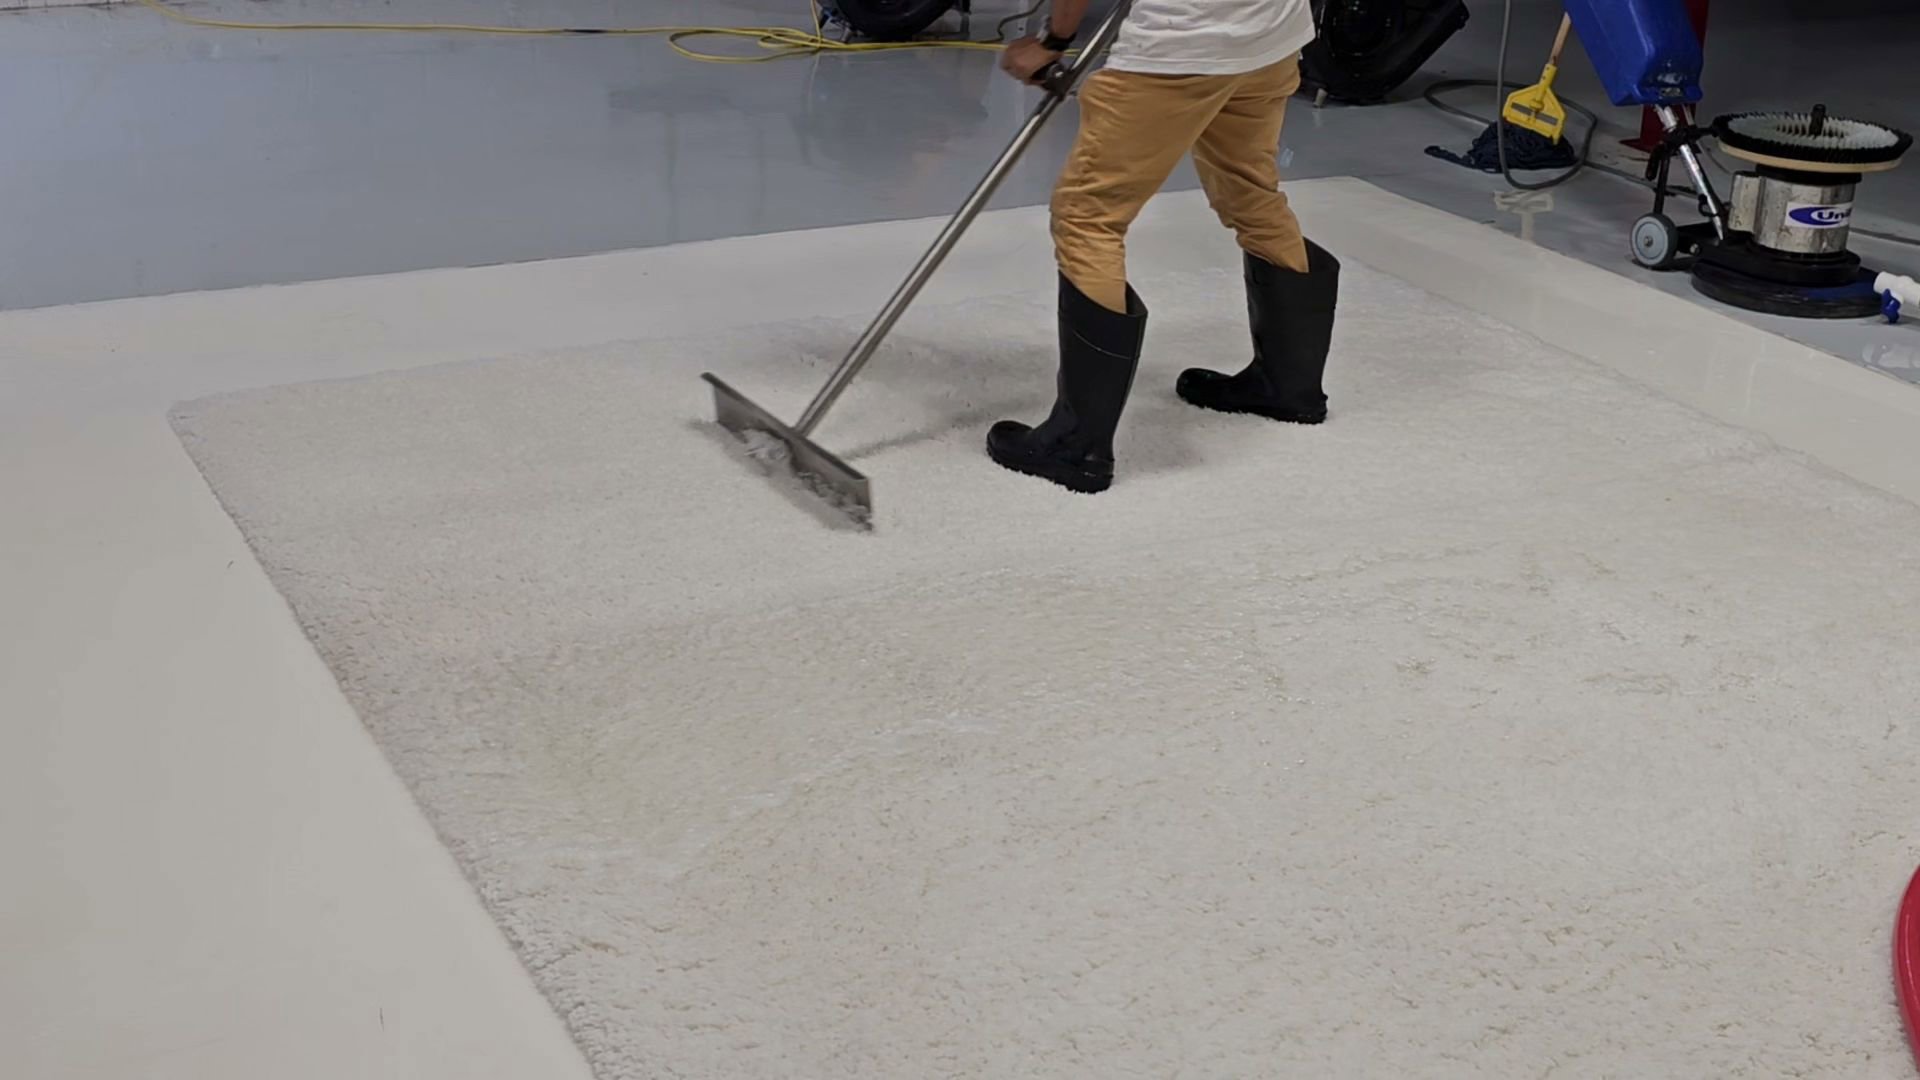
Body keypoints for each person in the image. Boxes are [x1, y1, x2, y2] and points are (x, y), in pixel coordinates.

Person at [988, 0, 1341, 493]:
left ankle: (1076, 445)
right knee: (1252, 194)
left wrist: (1053, 41)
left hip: (1181, 46)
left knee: (1089, 217)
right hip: (1272, 35)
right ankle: (1288, 387)